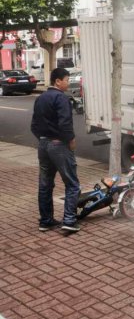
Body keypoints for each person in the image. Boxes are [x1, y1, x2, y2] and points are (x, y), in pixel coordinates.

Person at [31, 67, 81, 233]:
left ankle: (46, 221)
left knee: (45, 184)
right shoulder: (61, 98)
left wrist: (43, 139)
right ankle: (69, 220)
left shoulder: (40, 98)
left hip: (43, 145)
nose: (68, 83)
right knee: (72, 184)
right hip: (59, 145)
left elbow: (34, 125)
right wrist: (70, 140)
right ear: (58, 81)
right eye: (67, 80)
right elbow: (65, 123)